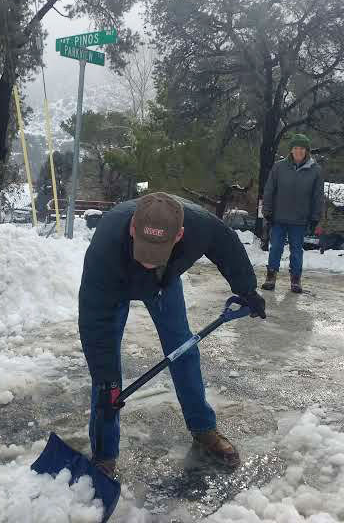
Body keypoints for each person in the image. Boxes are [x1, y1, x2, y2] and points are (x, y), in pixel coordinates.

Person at [78, 192, 266, 477]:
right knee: (106, 381)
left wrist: (247, 289)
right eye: (144, 250)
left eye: (156, 253)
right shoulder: (105, 248)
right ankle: (104, 455)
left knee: (183, 350)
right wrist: (106, 382)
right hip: (115, 284)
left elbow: (226, 245)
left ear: (179, 235)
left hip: (163, 284)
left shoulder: (200, 226)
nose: (147, 262)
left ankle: (203, 428)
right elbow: (96, 326)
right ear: (133, 228)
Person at [261, 133, 324, 294]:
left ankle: (295, 280)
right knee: (276, 248)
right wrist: (267, 211)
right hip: (279, 217)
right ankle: (270, 277)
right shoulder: (279, 167)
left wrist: (315, 217)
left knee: (296, 251)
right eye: (296, 148)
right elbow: (269, 190)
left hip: (300, 219)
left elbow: (317, 196)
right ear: (291, 150)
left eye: (302, 148)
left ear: (307, 151)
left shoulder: (315, 171)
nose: (298, 151)